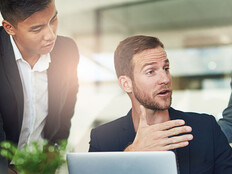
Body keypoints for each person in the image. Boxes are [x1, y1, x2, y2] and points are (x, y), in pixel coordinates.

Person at [89, 35, 232, 174]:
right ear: (126, 84)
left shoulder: (206, 128)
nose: (165, 79)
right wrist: (133, 153)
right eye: (150, 72)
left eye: (166, 68)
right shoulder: (103, 139)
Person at [0, 0, 79, 173]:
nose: (51, 35)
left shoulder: (67, 50)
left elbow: (65, 111)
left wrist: (53, 152)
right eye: (37, 29)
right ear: (9, 27)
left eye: (53, 20)